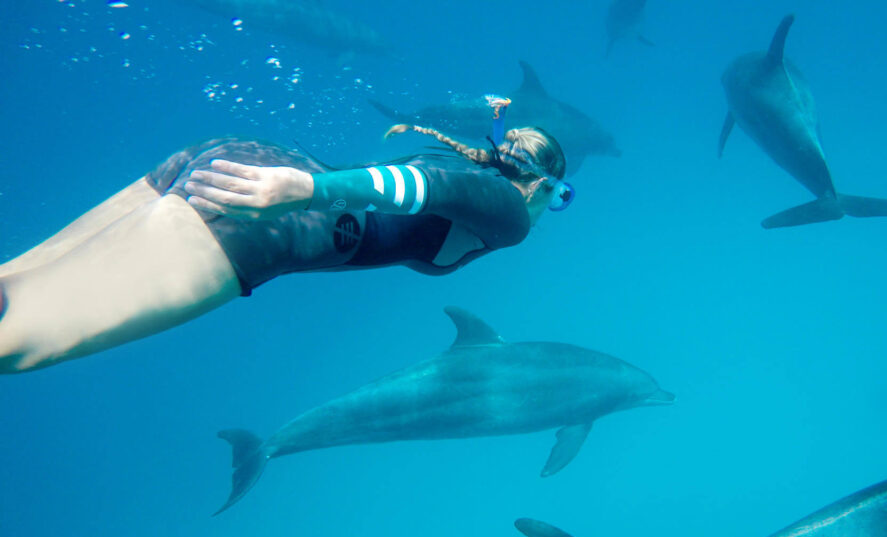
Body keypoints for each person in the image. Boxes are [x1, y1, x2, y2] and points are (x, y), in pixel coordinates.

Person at [0, 117, 572, 373]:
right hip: (262, 216)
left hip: (232, 157)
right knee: (18, 344)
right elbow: (425, 188)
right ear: (543, 186)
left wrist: (299, 181)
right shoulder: (510, 213)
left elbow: (433, 181)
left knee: (12, 282)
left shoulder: (464, 165)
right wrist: (306, 190)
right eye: (559, 195)